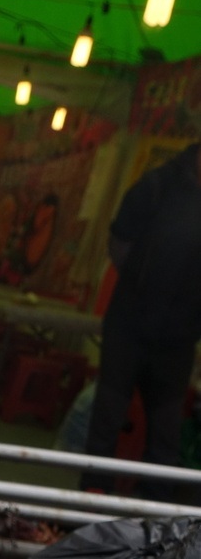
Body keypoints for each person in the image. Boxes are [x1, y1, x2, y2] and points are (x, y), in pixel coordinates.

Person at [85, 142, 201, 487]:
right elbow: (119, 242)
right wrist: (143, 285)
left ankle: (153, 517)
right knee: (107, 421)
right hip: (129, 327)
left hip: (179, 338)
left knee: (165, 435)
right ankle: (89, 503)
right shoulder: (156, 186)